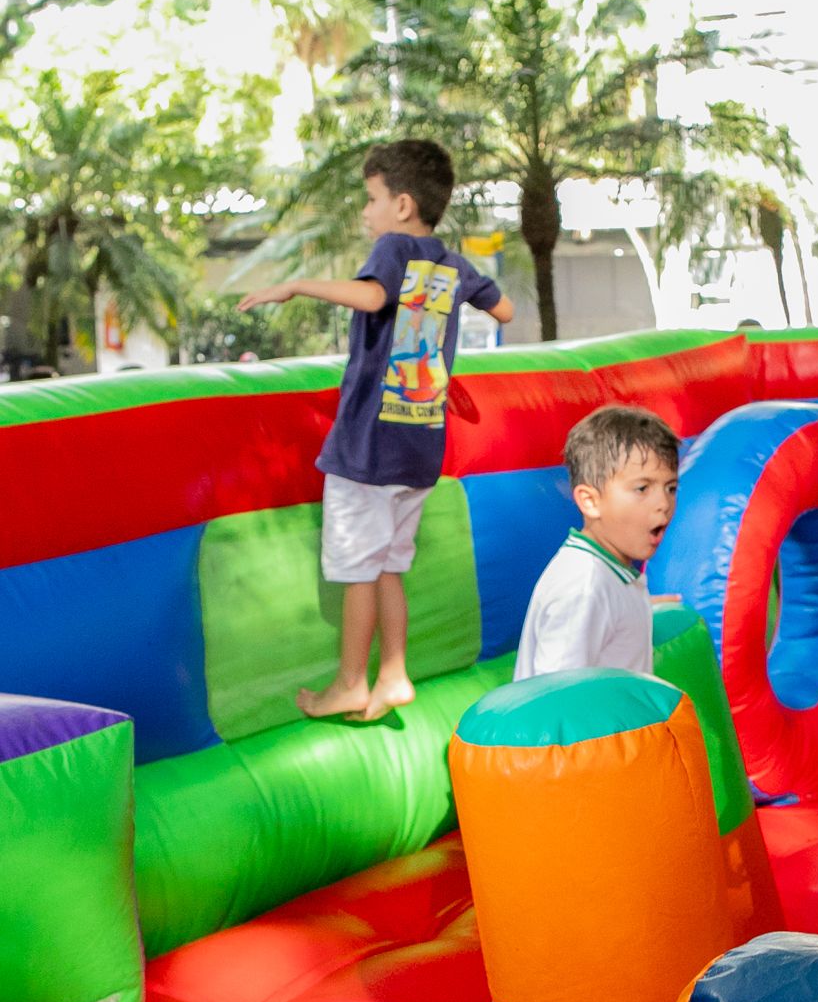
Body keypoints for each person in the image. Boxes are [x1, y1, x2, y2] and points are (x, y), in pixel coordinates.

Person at [239, 140, 515, 721]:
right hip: (418, 447)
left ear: (403, 204)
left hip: (368, 447)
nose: (365, 213)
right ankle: (393, 674)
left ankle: (349, 683)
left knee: (357, 569)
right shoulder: (451, 261)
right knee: (389, 563)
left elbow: (374, 295)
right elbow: (505, 310)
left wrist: (296, 285)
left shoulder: (395, 247)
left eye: (371, 200)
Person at [515, 405, 679, 679]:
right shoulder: (583, 587)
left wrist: (632, 606)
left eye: (671, 488)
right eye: (642, 489)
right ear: (590, 501)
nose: (663, 504)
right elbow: (556, 697)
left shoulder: (606, 575)